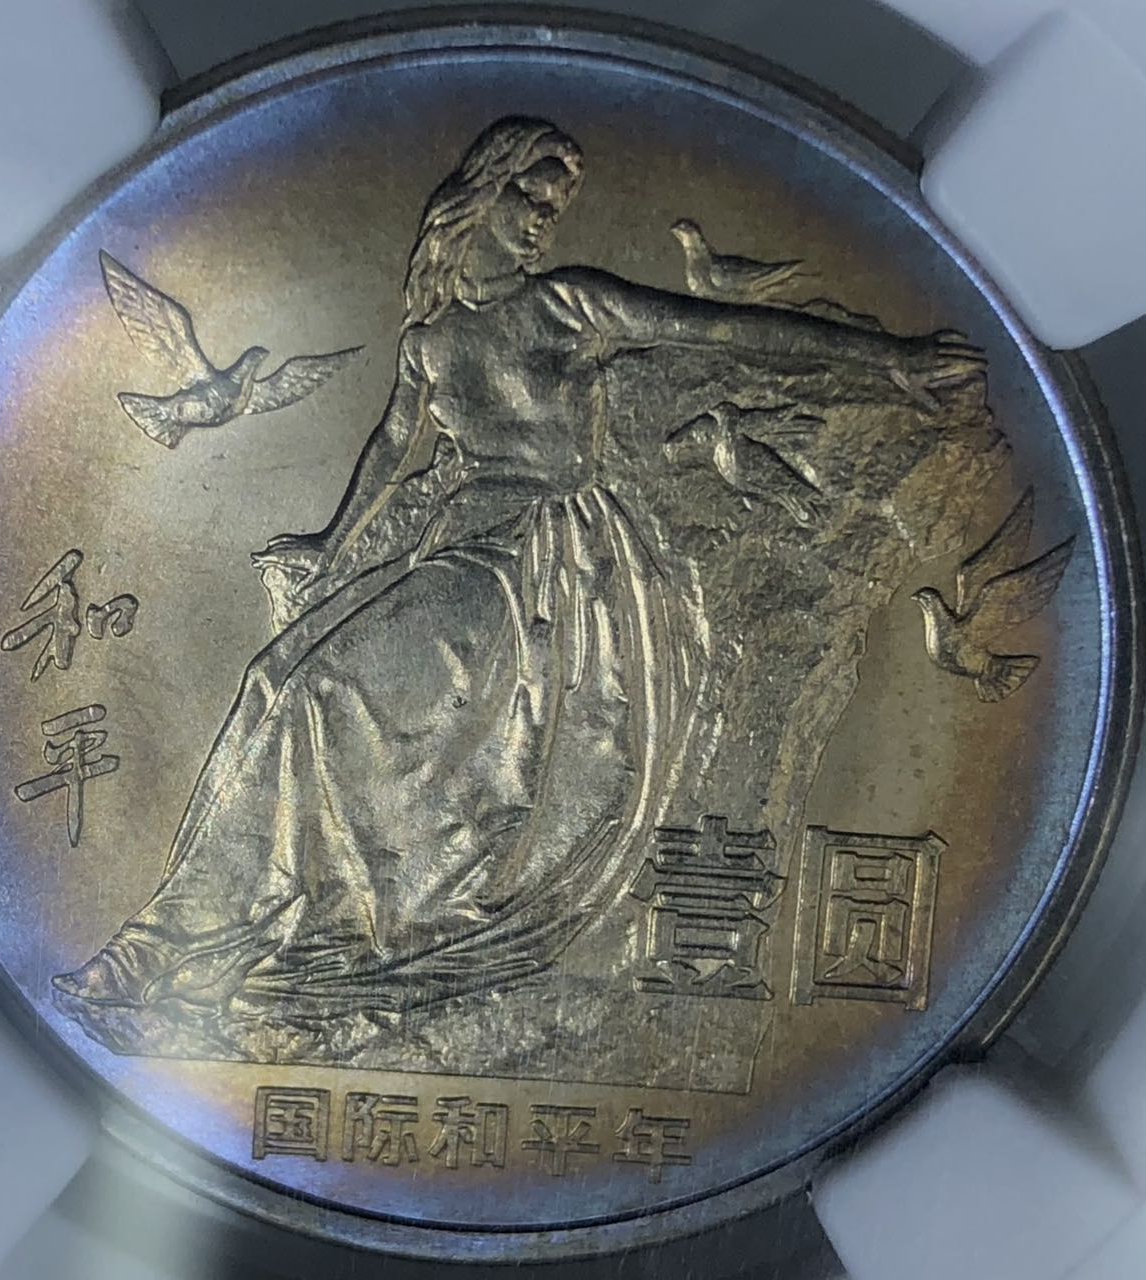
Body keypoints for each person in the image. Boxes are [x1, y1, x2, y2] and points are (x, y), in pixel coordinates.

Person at [55, 117, 981, 1034]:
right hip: (462, 545)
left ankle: (177, 943)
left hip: (550, 563)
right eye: (528, 194)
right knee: (272, 676)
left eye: (554, 202)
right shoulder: (430, 343)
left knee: (323, 693)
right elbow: (390, 452)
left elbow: (724, 331)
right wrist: (329, 549)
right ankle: (187, 933)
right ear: (478, 198)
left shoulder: (569, 305)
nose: (541, 216)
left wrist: (893, 360)